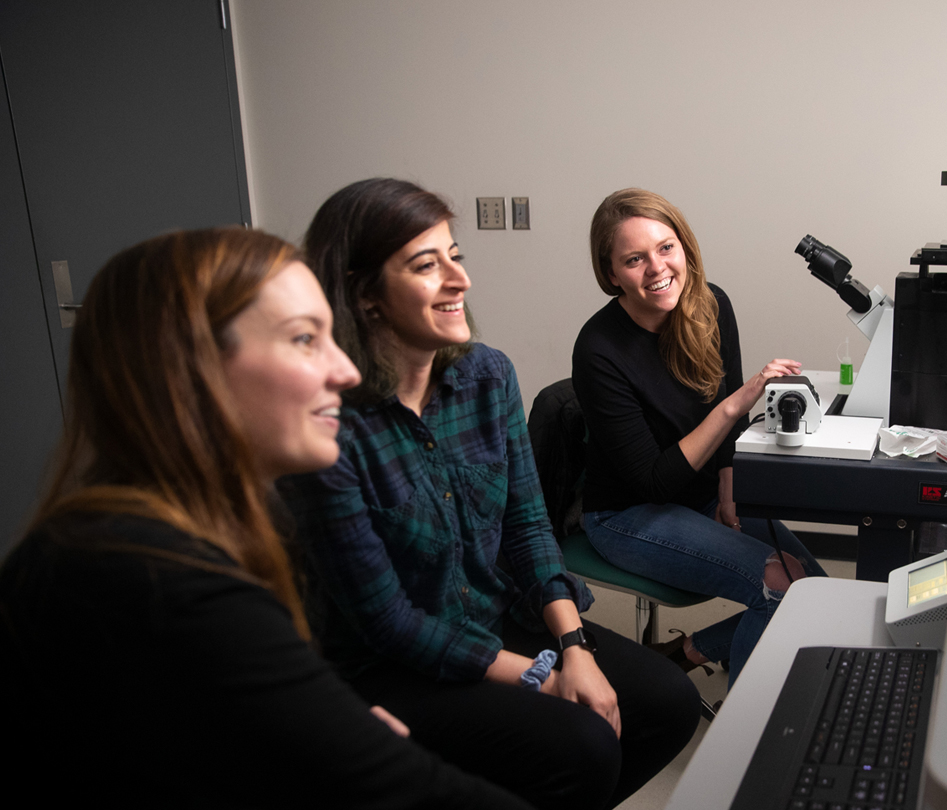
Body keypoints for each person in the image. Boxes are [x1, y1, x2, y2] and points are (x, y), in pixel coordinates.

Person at [0, 228, 532, 808]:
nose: (345, 371)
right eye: (305, 339)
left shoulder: (124, 534)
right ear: (190, 369)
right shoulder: (161, 580)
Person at [278, 178, 699, 810]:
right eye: (427, 265)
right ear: (363, 297)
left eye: (456, 256)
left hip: (497, 618)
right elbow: (388, 622)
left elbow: (529, 526)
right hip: (392, 664)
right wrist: (540, 677)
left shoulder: (487, 375)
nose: (459, 280)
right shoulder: (329, 423)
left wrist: (573, 647)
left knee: (669, 703)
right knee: (582, 745)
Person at [572, 188, 827, 686]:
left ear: (684, 247)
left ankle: (688, 651)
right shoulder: (599, 348)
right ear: (610, 275)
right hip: (626, 514)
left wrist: (729, 487)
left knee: (815, 588)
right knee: (779, 584)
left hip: (701, 492)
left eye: (666, 248)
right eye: (634, 259)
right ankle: (748, 742)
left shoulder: (710, 305)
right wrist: (742, 398)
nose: (656, 268)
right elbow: (652, 482)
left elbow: (724, 431)